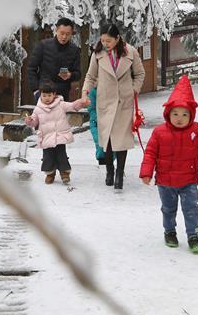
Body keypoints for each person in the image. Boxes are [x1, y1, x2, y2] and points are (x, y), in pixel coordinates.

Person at [140, 75, 198, 252]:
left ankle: (193, 236)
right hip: (165, 182)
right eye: (175, 114)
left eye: (184, 114)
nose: (179, 118)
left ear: (191, 115)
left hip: (188, 181)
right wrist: (146, 172)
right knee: (168, 209)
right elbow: (150, 153)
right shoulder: (159, 133)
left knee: (191, 209)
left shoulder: (196, 131)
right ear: (168, 114)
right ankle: (170, 232)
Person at [82, 24, 145, 191]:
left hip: (124, 101)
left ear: (117, 38)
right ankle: (109, 170)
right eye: (102, 40)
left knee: (122, 138)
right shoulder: (98, 54)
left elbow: (140, 74)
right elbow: (90, 76)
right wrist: (85, 92)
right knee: (107, 138)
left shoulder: (131, 52)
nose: (105, 44)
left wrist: (134, 90)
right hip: (105, 101)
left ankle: (120, 173)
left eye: (108, 41)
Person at [24, 81, 89, 185]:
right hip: (46, 136)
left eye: (49, 95)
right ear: (40, 95)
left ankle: (64, 173)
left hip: (60, 135)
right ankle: (50, 173)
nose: (47, 98)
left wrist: (81, 103)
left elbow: (72, 106)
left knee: (61, 155)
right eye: (44, 95)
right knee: (48, 157)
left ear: (54, 94)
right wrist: (30, 121)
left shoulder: (60, 104)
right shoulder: (38, 109)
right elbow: (34, 121)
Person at [27, 18, 82, 102]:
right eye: (62, 33)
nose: (64, 37)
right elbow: (31, 68)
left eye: (68, 34)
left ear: (71, 34)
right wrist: (36, 90)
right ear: (56, 30)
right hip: (44, 94)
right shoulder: (43, 45)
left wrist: (70, 75)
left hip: (62, 95)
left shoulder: (74, 50)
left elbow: (78, 74)